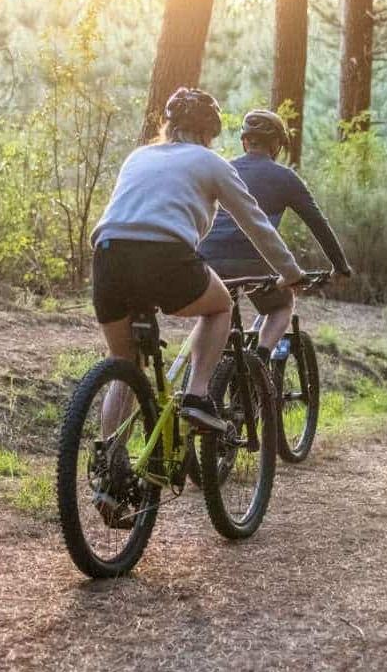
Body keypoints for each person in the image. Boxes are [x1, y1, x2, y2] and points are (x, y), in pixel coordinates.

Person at [91, 88, 305, 436]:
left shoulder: (138, 157)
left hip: (107, 254)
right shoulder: (211, 163)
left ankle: (108, 464)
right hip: (165, 255)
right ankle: (196, 396)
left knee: (123, 362)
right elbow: (256, 224)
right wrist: (290, 273)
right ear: (208, 133)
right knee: (220, 307)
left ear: (168, 125)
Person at [198, 109, 351, 365]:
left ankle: (206, 383)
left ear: (245, 141)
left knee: (215, 313)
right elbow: (318, 223)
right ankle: (259, 362)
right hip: (254, 257)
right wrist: (340, 267)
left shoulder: (224, 169)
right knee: (281, 305)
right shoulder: (285, 178)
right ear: (277, 144)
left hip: (207, 257)